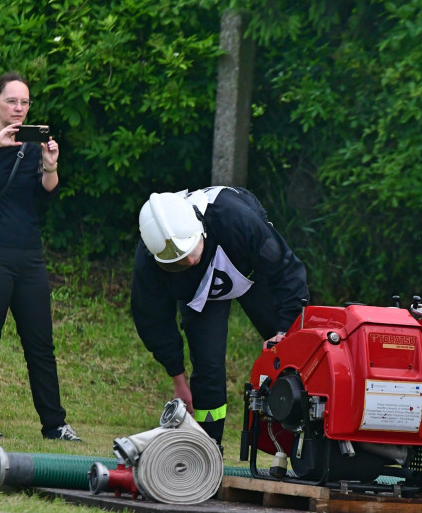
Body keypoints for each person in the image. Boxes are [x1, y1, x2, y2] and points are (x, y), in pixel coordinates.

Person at [0, 71, 80, 442]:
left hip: (29, 256)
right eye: (11, 101)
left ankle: (55, 425)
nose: (19, 108)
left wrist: (50, 161)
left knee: (40, 344)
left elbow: (48, 191)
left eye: (24, 102)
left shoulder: (32, 145)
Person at [130, 187, 309, 446]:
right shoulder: (150, 261)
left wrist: (284, 329)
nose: (190, 261)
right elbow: (153, 321)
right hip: (202, 294)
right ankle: (207, 447)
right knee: (207, 368)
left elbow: (286, 270)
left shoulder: (238, 221)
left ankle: (306, 438)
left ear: (199, 229)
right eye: (179, 262)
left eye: (193, 250)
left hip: (249, 270)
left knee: (291, 351)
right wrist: (177, 378)